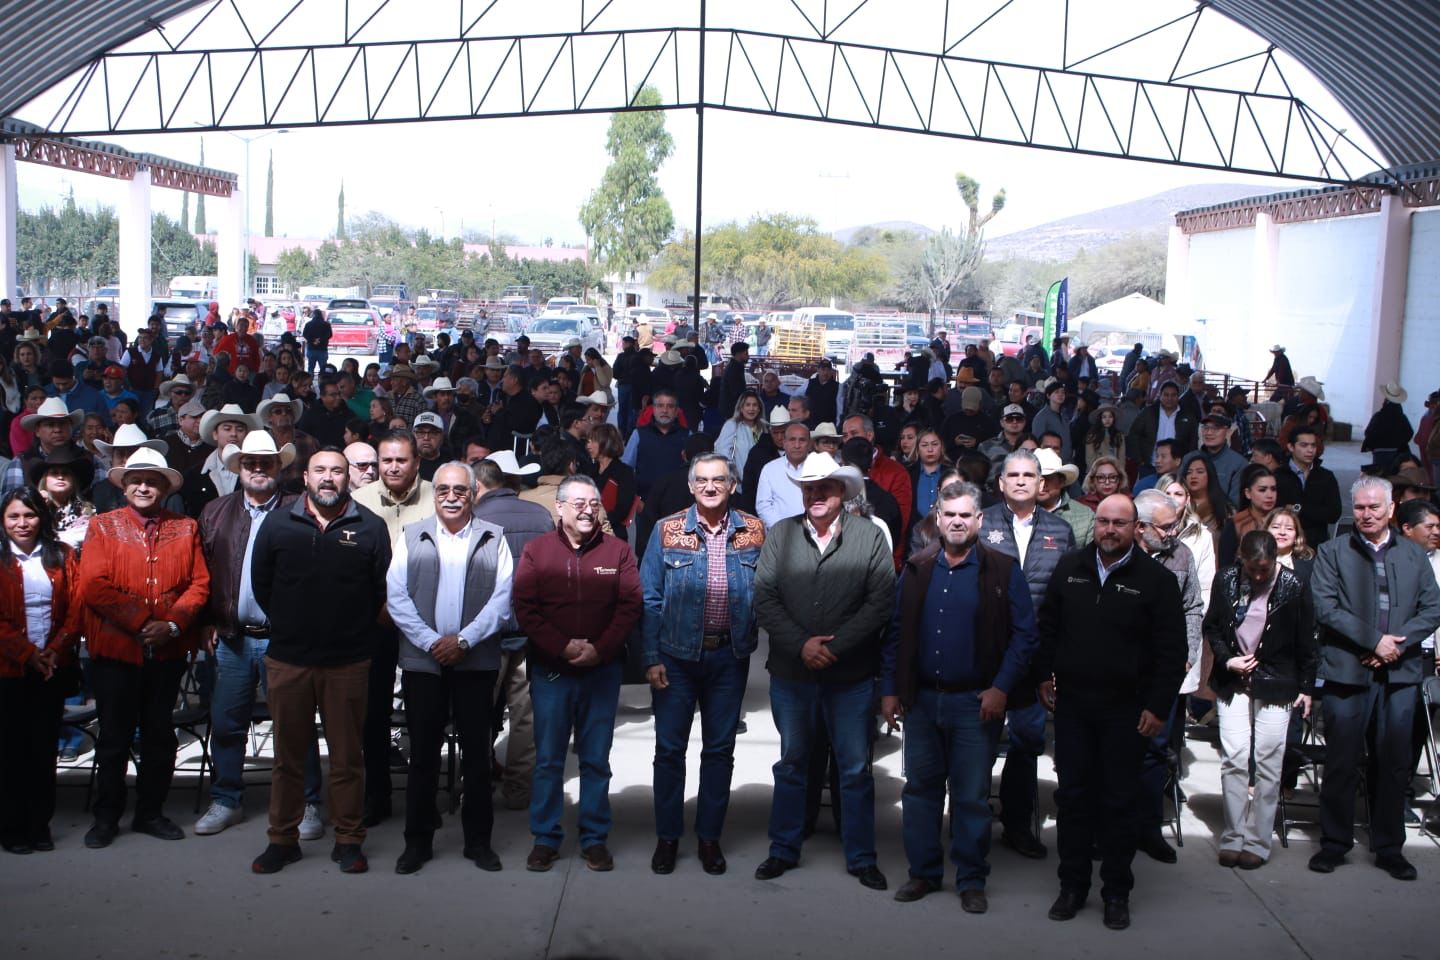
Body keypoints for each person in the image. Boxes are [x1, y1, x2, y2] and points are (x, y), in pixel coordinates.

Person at [882, 480, 1037, 911]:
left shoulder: (1003, 570)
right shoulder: (917, 568)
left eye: (965, 515)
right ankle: (923, 873)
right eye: (949, 514)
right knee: (920, 792)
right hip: (922, 701)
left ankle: (971, 879)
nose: (956, 522)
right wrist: (890, 690)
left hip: (975, 704)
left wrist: (1001, 687)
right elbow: (895, 633)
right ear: (937, 519)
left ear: (979, 520)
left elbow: (1025, 636)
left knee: (970, 797)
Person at [1035, 494, 1187, 930]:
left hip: (1128, 710)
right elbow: (1048, 627)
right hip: (1074, 706)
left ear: (1136, 528)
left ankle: (1116, 892)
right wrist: (1043, 674)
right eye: (1103, 521)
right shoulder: (1070, 568)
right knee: (1074, 798)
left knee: (1119, 801)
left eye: (1120, 523)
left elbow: (1172, 651)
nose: (1109, 530)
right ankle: (1072, 886)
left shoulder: (1156, 580)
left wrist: (1158, 706)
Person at [753, 452, 894, 890]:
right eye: (809, 488)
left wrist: (835, 646)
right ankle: (783, 848)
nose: (815, 494)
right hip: (792, 674)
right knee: (792, 763)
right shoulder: (781, 535)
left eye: (824, 488)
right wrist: (802, 645)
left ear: (842, 492)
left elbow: (881, 601)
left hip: (850, 676)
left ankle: (861, 856)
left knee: (854, 768)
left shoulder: (869, 536)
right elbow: (764, 597)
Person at [249, 449, 391, 875]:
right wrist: (293, 623)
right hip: (288, 660)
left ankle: (348, 840)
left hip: (347, 662)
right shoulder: (278, 524)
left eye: (337, 471)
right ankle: (282, 840)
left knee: (347, 759)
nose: (328, 478)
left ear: (349, 477)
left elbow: (382, 593)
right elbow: (262, 585)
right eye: (320, 470)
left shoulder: (370, 526)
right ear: (306, 477)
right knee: (288, 758)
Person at [191, 431, 327, 841]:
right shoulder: (215, 511)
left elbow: (318, 574)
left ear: (279, 467)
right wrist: (205, 621)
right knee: (227, 723)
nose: (257, 468)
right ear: (238, 467)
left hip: (283, 640)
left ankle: (307, 803)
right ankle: (227, 800)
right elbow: (203, 572)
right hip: (232, 638)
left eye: (266, 462)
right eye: (250, 462)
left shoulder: (301, 509)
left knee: (294, 725)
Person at [1308, 476, 1440, 881]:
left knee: (1394, 762)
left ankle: (1389, 848)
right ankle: (1334, 843)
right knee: (1341, 760)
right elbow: (1325, 607)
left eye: (1374, 507)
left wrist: (1395, 644)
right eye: (1361, 507)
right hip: (1348, 671)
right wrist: (1373, 641)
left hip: (1399, 674)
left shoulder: (1413, 554)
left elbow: (1432, 608)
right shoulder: (1332, 551)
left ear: (1391, 509)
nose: (1366, 514)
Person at [640, 452, 765, 876]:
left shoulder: (754, 530)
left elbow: (768, 591)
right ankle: (668, 837)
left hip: (729, 657)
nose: (710, 487)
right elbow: (650, 597)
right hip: (675, 657)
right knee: (669, 750)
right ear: (691, 486)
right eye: (702, 480)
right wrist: (651, 657)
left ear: (733, 485)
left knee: (720, 750)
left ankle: (709, 837)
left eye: (719, 480)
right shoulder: (667, 530)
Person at [78, 448, 210, 849]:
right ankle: (106, 817)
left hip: (167, 652)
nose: (143, 487)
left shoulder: (186, 527)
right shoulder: (102, 526)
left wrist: (172, 624)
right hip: (116, 651)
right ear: (124, 487)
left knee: (159, 736)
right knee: (114, 738)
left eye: (152, 481)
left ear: (165, 488)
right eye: (136, 480)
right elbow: (93, 584)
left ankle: (150, 812)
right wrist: (140, 622)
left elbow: (199, 583)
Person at [386, 462, 514, 874]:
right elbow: (396, 597)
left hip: (475, 662)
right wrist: (431, 643)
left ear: (474, 493)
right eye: (443, 490)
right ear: (434, 493)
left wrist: (463, 641)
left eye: (461, 490)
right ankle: (417, 843)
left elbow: (502, 601)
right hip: (424, 664)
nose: (452, 497)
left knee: (477, 755)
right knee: (423, 755)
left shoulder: (494, 537)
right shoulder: (412, 535)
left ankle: (478, 843)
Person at [512, 474, 641, 874]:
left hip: (602, 670)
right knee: (549, 759)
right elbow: (525, 607)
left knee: (596, 758)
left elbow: (630, 605)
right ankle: (545, 838)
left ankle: (594, 837)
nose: (588, 510)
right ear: (560, 508)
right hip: (552, 671)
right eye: (580, 503)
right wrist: (562, 647)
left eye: (594, 504)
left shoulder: (618, 552)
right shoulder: (537, 552)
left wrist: (600, 649)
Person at [980, 449, 1075, 858]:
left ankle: (1017, 825)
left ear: (1042, 484)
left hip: (1034, 659)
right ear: (1001, 483)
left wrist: (1053, 665)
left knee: (1027, 742)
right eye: (1013, 475)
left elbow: (1066, 602)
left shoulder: (1061, 531)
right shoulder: (981, 523)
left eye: (1028, 476)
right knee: (978, 743)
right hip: (985, 657)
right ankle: (970, 820)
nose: (1020, 481)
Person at [1205, 529, 1317, 869]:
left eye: (1264, 570)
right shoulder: (1226, 579)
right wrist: (1228, 659)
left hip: (1277, 677)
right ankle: (1233, 835)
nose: (1257, 576)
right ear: (1241, 560)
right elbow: (1213, 626)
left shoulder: (1293, 585)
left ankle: (1257, 839)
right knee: (1235, 756)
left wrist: (1306, 687)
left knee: (1268, 759)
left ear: (1274, 561)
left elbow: (1306, 638)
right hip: (1233, 678)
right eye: (1251, 569)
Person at [351, 430, 434, 826]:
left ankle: (424, 800)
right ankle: (376, 795)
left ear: (417, 462)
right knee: (374, 712)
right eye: (387, 460)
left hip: (425, 621)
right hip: (374, 621)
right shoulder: (359, 501)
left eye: (402, 460)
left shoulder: (437, 497)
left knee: (424, 715)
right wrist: (378, 605)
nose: (394, 467)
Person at [0, 487, 83, 854]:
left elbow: (77, 606)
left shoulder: (62, 555)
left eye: (29, 515)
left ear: (42, 518)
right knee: (11, 750)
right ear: (2, 521)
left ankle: (39, 825)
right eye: (14, 516)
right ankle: (12, 828)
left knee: (43, 749)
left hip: (51, 667)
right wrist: (28, 654)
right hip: (8, 669)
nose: (22, 523)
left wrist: (54, 651)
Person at [1131, 489, 1206, 864]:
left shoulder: (1181, 555)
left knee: (1154, 751)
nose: (1173, 533)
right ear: (1140, 527)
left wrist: (1187, 654)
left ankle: (1148, 829)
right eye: (1165, 527)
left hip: (1162, 673)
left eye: (1174, 525)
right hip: (1119, 673)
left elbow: (1193, 606)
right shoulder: (1115, 553)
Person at [473, 455, 552, 812]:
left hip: (485, 634)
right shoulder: (541, 516)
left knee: (477, 713)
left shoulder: (473, 519)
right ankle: (519, 788)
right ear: (512, 482)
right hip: (530, 631)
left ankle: (476, 785)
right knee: (525, 715)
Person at [1277, 425, 1342, 547]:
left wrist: (1298, 509)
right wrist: (1315, 512)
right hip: (1283, 541)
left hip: (1316, 543)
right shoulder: (1278, 476)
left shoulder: (1326, 476)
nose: (1310, 450)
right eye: (1304, 445)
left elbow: (1334, 514)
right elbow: (1276, 508)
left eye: (1313, 445)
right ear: (1291, 447)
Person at [621, 389, 690, 498]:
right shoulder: (638, 434)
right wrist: (635, 500)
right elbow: (625, 471)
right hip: (644, 501)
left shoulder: (687, 436)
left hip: (678, 501)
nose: (665, 410)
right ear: (653, 409)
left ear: (677, 411)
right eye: (660, 406)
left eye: (670, 406)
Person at [1218, 463, 1279, 566]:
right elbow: (1225, 565)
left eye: (1273, 489)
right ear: (1248, 493)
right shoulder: (1236, 524)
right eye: (1262, 490)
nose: (1269, 495)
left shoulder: (1283, 520)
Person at [1128, 381, 1197, 470]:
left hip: (1177, 468)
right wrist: (1140, 460)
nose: (1169, 398)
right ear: (1160, 396)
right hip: (1150, 465)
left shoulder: (1187, 415)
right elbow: (1134, 434)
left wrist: (1187, 463)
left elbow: (1193, 441)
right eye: (1166, 395)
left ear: (1178, 396)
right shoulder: (1148, 412)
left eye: (1173, 395)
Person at [755, 420, 812, 528]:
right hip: (779, 532)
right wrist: (782, 530)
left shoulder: (819, 467)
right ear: (784, 443)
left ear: (809, 444)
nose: (797, 445)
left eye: (802, 440)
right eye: (792, 440)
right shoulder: (770, 469)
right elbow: (763, 506)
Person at [586, 423, 636, 540]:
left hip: (613, 534)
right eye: (588, 442)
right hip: (588, 533)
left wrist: (598, 521)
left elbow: (622, 509)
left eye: (593, 441)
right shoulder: (589, 470)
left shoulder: (624, 472)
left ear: (606, 443)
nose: (588, 446)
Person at [1035, 448, 1092, 548]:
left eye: (1048, 478)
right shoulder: (1016, 513)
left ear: (1061, 481)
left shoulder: (1086, 515)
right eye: (1037, 478)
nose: (1042, 484)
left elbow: (1091, 555)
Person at [715, 390, 766, 485]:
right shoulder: (732, 425)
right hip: (738, 483)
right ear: (741, 408)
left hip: (760, 482)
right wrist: (733, 475)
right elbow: (722, 452)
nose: (751, 409)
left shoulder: (763, 427)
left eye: (755, 405)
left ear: (759, 409)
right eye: (747, 405)